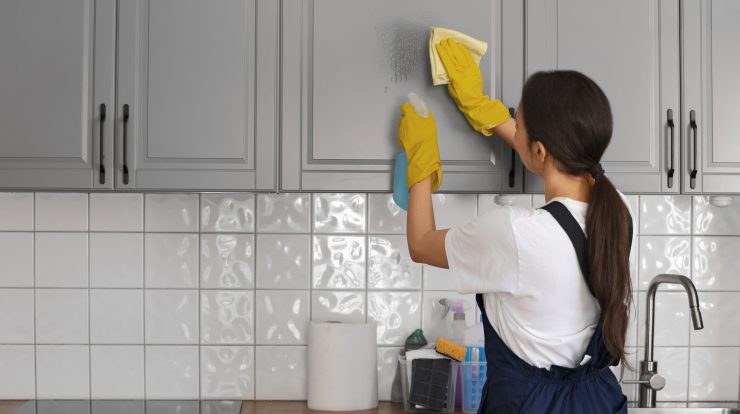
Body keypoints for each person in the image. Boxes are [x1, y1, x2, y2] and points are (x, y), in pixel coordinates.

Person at [398, 39, 634, 413]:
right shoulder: (616, 209)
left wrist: (421, 159)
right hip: (598, 399)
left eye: (517, 122)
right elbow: (556, 156)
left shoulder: (516, 234)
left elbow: (421, 244)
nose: (514, 125)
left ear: (539, 150)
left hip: (529, 405)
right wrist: (482, 108)